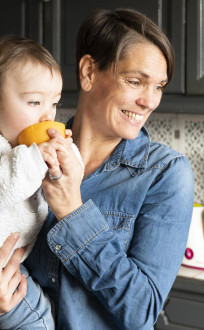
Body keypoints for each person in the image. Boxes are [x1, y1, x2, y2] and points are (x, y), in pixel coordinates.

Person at [0, 8, 194, 330]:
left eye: (158, 86)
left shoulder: (165, 174)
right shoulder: (26, 153)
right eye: (135, 81)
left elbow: (142, 312)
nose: (150, 101)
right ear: (89, 71)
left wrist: (73, 212)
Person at [0, 35, 83, 329]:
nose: (47, 115)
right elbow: (5, 187)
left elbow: (65, 179)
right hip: (8, 267)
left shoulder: (21, 148)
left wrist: (67, 158)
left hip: (13, 264)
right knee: (40, 320)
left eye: (54, 104)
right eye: (34, 102)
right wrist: (37, 157)